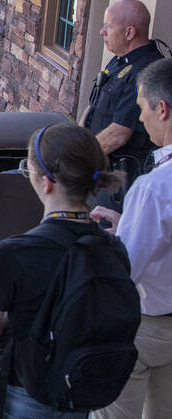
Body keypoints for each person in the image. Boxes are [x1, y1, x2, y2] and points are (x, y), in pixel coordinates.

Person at [0, 123, 130, 418]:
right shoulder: (114, 248)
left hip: (20, 392)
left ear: (46, 182)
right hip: (77, 394)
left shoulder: (13, 253)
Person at [90, 58, 172, 419]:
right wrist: (128, 221)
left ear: (163, 109)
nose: (140, 119)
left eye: (142, 108)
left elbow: (126, 271)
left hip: (148, 327)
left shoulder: (154, 188)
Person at [81, 0, 165, 199]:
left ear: (129, 33)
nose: (102, 31)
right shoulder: (121, 60)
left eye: (108, 26)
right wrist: (76, 140)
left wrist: (77, 158)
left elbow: (118, 134)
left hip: (118, 183)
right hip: (97, 167)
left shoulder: (146, 71)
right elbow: (93, 107)